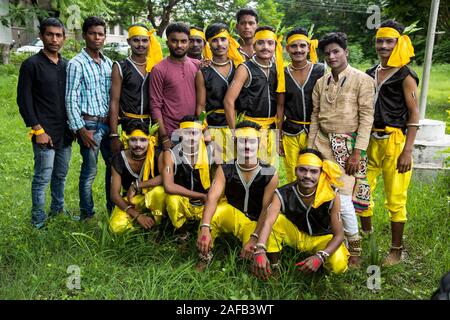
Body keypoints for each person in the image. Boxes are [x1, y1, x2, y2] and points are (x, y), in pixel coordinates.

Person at [307, 32, 375, 267]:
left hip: (347, 148)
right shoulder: (320, 82)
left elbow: (367, 118)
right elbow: (315, 116)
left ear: (346, 52)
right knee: (321, 194)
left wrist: (358, 152)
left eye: (336, 51)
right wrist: (309, 151)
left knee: (344, 200)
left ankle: (354, 250)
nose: (332, 56)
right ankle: (332, 238)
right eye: (327, 53)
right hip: (321, 144)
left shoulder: (362, 80)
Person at [359, 20, 419, 266]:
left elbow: (414, 113)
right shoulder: (369, 73)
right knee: (361, 191)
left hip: (395, 141)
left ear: (398, 43)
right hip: (369, 139)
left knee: (395, 197)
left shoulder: (405, 74)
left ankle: (396, 249)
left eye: (389, 41)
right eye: (379, 41)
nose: (383, 46)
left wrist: (407, 150)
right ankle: (366, 235)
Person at [196, 121, 280, 271]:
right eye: (242, 141)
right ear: (235, 143)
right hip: (233, 215)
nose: (247, 146)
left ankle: (274, 265)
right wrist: (204, 227)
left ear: (259, 143)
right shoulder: (226, 168)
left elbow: (266, 209)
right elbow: (212, 197)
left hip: (256, 222)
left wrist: (254, 238)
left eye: (252, 142)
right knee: (213, 215)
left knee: (268, 235)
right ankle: (204, 255)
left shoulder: (270, 173)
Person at [253, 149, 349, 279]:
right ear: (295, 171)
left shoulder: (332, 195)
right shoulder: (282, 193)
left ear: (321, 173)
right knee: (277, 220)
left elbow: (339, 235)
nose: (308, 175)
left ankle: (323, 272)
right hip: (296, 235)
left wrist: (320, 256)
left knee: (339, 264)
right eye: (302, 170)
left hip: (322, 238)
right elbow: (268, 222)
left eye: (314, 171)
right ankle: (275, 266)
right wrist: (259, 250)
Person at [17, 17, 74, 229]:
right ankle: (38, 220)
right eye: (49, 34)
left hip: (65, 132)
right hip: (44, 132)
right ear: (41, 36)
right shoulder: (31, 65)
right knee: (42, 178)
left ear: (64, 38)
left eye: (58, 35)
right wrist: (37, 129)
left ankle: (58, 211)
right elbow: (24, 101)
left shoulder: (68, 65)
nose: (54, 39)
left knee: (61, 175)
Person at [66, 16, 114, 219]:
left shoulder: (108, 63)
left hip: (107, 124)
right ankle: (87, 213)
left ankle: (113, 210)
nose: (97, 37)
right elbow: (70, 98)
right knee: (90, 171)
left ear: (105, 37)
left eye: (100, 34)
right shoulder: (76, 63)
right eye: (93, 33)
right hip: (89, 125)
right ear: (85, 35)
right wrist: (80, 129)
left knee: (113, 169)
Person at [224, 26, 285, 165]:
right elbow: (228, 101)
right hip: (249, 128)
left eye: (270, 43)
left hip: (271, 128)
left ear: (275, 46)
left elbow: (281, 105)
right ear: (254, 45)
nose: (266, 47)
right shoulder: (245, 68)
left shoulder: (278, 68)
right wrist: (234, 133)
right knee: (248, 169)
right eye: (260, 42)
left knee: (269, 171)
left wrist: (279, 136)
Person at [278, 27, 325, 183]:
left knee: (315, 171)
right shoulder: (282, 73)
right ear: (287, 48)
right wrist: (278, 137)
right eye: (294, 46)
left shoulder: (320, 70)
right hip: (291, 132)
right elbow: (280, 106)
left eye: (302, 46)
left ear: (309, 47)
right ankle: (293, 205)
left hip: (315, 131)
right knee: (293, 172)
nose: (298, 50)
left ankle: (314, 205)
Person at [109, 23, 163, 155]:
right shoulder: (121, 67)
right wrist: (114, 134)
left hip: (150, 124)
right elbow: (114, 101)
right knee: (126, 164)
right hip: (129, 124)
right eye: (136, 40)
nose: (141, 44)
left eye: (144, 40)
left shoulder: (155, 67)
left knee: (149, 166)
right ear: (129, 41)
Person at [195, 23, 244, 163]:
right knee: (218, 168)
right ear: (208, 44)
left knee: (238, 167)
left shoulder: (240, 67)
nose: (219, 44)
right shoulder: (203, 73)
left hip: (238, 125)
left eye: (223, 39)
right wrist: (205, 130)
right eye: (214, 40)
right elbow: (201, 106)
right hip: (214, 127)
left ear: (229, 41)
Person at [150, 22, 201, 151]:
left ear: (189, 43)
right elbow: (155, 105)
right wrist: (164, 137)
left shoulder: (198, 65)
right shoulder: (158, 69)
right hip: (170, 133)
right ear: (167, 43)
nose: (179, 45)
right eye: (174, 41)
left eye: (183, 41)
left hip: (193, 131)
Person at [162, 116, 215, 239]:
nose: (191, 137)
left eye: (195, 133)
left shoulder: (211, 151)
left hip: (206, 203)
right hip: (187, 200)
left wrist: (209, 197)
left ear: (201, 134)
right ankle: (182, 233)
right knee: (172, 200)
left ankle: (206, 237)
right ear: (180, 134)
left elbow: (220, 179)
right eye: (187, 133)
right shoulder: (170, 154)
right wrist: (200, 196)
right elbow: (168, 186)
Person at [109, 122, 166, 234]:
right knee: (116, 228)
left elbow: (165, 177)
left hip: (153, 196)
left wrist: (137, 185)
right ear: (126, 140)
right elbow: (114, 195)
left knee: (159, 193)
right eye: (133, 140)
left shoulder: (157, 154)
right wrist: (137, 215)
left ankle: (158, 226)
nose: (138, 145)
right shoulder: (119, 159)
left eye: (143, 140)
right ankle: (141, 224)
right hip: (131, 201)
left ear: (149, 140)